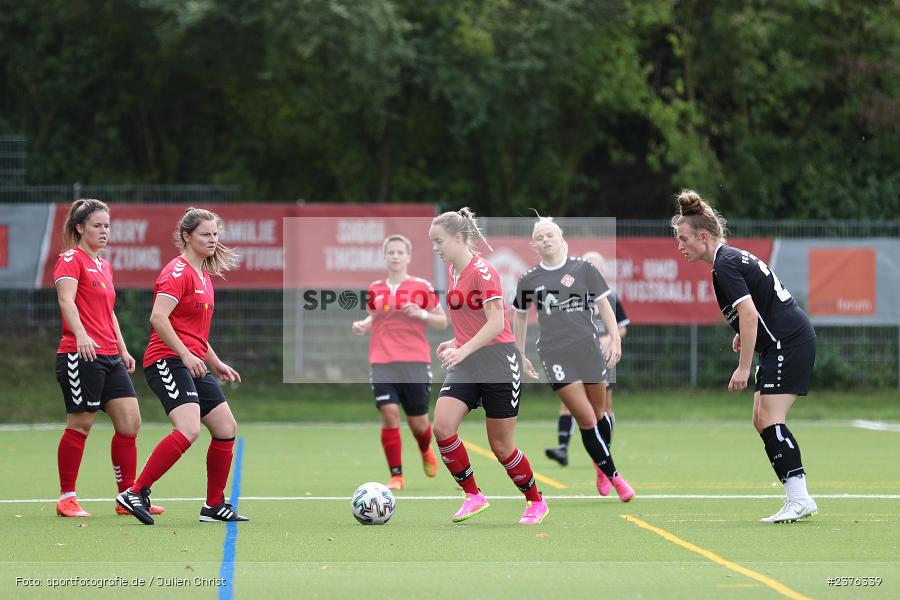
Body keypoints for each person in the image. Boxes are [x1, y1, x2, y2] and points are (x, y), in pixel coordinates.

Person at [672, 189, 818, 523]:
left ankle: (799, 499)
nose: (679, 246)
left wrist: (743, 367)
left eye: (683, 239)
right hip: (781, 340)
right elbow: (759, 307)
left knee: (769, 418)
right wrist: (742, 332)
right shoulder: (726, 260)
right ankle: (797, 496)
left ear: (703, 236)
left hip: (788, 342)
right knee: (761, 418)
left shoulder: (724, 264)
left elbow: (751, 313)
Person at [116, 208, 247, 525]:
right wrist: (186, 355)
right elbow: (158, 318)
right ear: (187, 237)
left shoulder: (203, 275)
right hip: (167, 360)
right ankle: (136, 492)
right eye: (206, 234)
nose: (213, 239)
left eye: (215, 234)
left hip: (193, 363)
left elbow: (195, 333)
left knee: (226, 428)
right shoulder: (177, 272)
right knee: (188, 429)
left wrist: (214, 361)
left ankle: (213, 506)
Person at [429, 208, 549, 525]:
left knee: (501, 446)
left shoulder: (483, 272)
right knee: (441, 427)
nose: (435, 248)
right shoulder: (455, 272)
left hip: (498, 363)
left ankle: (536, 501)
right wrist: (457, 343)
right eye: (432, 242)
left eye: (439, 241)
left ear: (458, 237)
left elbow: (497, 323)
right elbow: (473, 323)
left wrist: (463, 347)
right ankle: (473, 496)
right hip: (469, 362)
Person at [53, 199, 165, 518]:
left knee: (130, 423)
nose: (104, 231)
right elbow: (66, 301)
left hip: (108, 356)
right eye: (97, 226)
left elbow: (108, 312)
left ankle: (127, 497)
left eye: (107, 226)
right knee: (81, 424)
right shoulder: (70, 259)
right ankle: (67, 498)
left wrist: (122, 348)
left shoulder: (103, 264)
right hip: (79, 352)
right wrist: (81, 334)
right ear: (79, 228)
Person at [513, 217, 635, 502]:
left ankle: (600, 465)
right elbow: (519, 315)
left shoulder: (584, 268)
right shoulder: (529, 278)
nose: (545, 240)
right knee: (585, 417)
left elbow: (604, 304)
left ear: (560, 237)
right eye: (539, 237)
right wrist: (519, 354)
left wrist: (615, 339)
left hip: (588, 349)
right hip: (554, 355)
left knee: (600, 413)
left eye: (549, 235)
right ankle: (616, 478)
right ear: (534, 244)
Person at [352, 234, 448, 491]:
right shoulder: (375, 288)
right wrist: (364, 323)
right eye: (390, 252)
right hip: (382, 361)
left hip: (415, 362)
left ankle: (425, 448)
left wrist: (423, 313)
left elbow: (442, 322)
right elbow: (373, 316)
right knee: (390, 414)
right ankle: (397, 475)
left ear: (408, 257)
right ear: (384, 257)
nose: (395, 256)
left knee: (418, 423)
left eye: (399, 252)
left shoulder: (422, 287)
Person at [545, 251, 630, 473]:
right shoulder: (571, 295)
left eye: (596, 268)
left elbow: (621, 327)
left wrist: (608, 339)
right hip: (575, 356)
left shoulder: (609, 297)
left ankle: (604, 452)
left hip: (601, 359)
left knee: (603, 408)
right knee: (568, 403)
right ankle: (562, 448)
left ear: (603, 272)